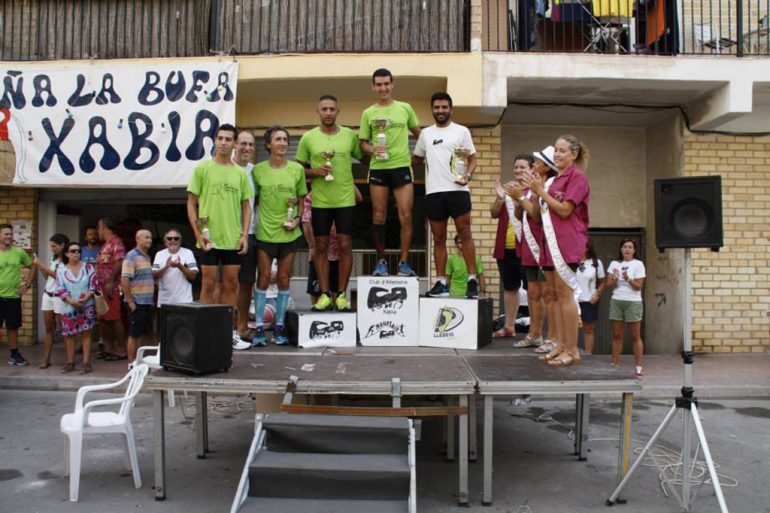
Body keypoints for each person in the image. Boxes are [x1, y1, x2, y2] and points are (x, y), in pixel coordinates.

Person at [521, 135, 590, 368]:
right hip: (548, 243)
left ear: (574, 154)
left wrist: (540, 192)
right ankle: (560, 344)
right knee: (554, 294)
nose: (558, 155)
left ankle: (572, 350)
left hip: (567, 242)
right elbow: (539, 215)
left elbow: (564, 210)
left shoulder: (577, 178)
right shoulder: (554, 181)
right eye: (556, 151)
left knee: (564, 294)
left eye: (563, 151)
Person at [186, 123, 253, 351]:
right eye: (220, 138)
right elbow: (191, 203)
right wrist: (197, 233)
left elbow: (247, 207)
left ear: (234, 144)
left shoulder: (239, 174)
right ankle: (203, 332)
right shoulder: (203, 169)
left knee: (231, 284)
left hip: (232, 239)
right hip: (209, 239)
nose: (224, 142)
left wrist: (244, 235)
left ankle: (227, 332)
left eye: (228, 139)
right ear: (215, 141)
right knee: (207, 283)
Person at [297, 94, 365, 310]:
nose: (328, 113)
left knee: (345, 246)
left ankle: (341, 294)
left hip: (345, 199)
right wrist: (315, 171)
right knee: (321, 247)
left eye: (332, 109)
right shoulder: (308, 138)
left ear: (338, 111)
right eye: (324, 109)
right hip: (320, 201)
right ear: (318, 112)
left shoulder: (349, 135)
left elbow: (364, 159)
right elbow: (298, 171)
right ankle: (325, 294)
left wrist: (381, 148)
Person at [413, 92, 480, 299]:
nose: (440, 111)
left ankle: (471, 280)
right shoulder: (425, 134)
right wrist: (389, 153)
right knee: (438, 239)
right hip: (434, 193)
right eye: (436, 107)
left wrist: (468, 175)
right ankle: (441, 283)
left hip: (458, 191)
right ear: (432, 110)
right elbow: (416, 159)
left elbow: (472, 158)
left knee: (465, 233)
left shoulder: (462, 131)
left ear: (451, 109)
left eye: (444, 107)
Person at [359, 68, 421, 277]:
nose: (383, 88)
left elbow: (420, 135)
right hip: (378, 168)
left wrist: (417, 157)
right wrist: (372, 149)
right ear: (373, 87)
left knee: (406, 215)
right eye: (379, 84)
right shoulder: (368, 113)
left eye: (386, 83)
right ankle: (381, 262)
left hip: (402, 167)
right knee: (378, 215)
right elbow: (362, 144)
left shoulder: (405, 108)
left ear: (392, 84)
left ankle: (404, 262)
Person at [251, 126, 307, 346]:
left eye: (285, 139)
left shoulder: (297, 170)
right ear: (268, 144)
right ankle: (258, 329)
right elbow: (251, 201)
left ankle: (280, 328)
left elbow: (302, 199)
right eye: (278, 139)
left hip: (289, 233)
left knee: (284, 279)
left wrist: (297, 219)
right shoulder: (258, 170)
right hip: (265, 232)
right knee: (264, 278)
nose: (282, 143)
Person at [490, 156, 528, 339]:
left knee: (534, 290)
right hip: (505, 248)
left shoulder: (534, 191)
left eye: (522, 167)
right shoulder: (507, 190)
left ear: (531, 170)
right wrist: (499, 199)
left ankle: (536, 331)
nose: (518, 170)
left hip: (527, 249)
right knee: (510, 288)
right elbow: (494, 214)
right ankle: (509, 327)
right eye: (516, 167)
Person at [233, 130, 259, 341]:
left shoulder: (255, 172)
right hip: (226, 236)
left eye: (251, 144)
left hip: (250, 234)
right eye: (243, 143)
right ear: (234, 144)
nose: (247, 148)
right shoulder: (224, 169)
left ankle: (241, 326)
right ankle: (223, 326)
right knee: (224, 283)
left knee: (246, 283)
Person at [56, 241, 98, 374]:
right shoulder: (61, 269)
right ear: (67, 253)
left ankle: (86, 362)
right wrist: (71, 301)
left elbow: (94, 285)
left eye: (78, 251)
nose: (76, 253)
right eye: (73, 251)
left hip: (87, 305)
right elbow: (60, 288)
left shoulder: (88, 267)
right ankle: (70, 362)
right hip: (68, 307)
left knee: (86, 334)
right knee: (69, 335)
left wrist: (86, 298)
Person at [607, 238, 646, 377]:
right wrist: (615, 278)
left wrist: (628, 278)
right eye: (624, 247)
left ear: (634, 250)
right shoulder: (614, 264)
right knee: (616, 335)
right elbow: (608, 285)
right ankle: (615, 363)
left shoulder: (638, 264)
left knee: (635, 335)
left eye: (630, 247)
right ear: (621, 249)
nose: (627, 249)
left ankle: (639, 366)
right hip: (617, 300)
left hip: (633, 302)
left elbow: (638, 286)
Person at [33, 233, 69, 369]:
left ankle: (69, 360)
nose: (52, 248)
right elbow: (48, 276)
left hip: (60, 296)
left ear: (62, 245)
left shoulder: (67, 260)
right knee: (49, 328)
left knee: (63, 329)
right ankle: (46, 359)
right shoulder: (53, 259)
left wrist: (41, 265)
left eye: (54, 246)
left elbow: (59, 278)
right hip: (48, 294)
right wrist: (41, 267)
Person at [0, 224, 34, 366]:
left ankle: (14, 355)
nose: (9, 236)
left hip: (13, 297)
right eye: (5, 234)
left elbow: (33, 266)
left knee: (12, 327)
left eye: (10, 234)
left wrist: (27, 285)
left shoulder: (19, 252)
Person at [95, 218, 127, 361]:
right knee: (105, 319)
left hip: (111, 288)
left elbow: (119, 262)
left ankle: (121, 350)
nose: (97, 231)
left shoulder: (116, 242)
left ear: (104, 228)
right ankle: (110, 348)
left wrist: (111, 281)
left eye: (98, 227)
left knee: (114, 318)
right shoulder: (105, 245)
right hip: (101, 289)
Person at [121, 229, 154, 363]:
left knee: (140, 333)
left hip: (146, 302)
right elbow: (124, 280)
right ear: (138, 238)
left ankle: (138, 361)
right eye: (146, 237)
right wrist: (130, 301)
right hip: (137, 302)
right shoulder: (131, 256)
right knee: (134, 334)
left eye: (150, 238)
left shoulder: (146, 256)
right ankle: (131, 363)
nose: (149, 240)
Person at [152, 228, 198, 307]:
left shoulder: (188, 253)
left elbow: (193, 276)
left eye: (176, 238)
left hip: (184, 302)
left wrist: (179, 266)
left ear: (180, 241)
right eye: (169, 238)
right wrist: (166, 267)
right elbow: (153, 276)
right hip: (164, 302)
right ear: (165, 242)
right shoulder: (159, 254)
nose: (173, 240)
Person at [576, 239, 605, 355]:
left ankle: (588, 354)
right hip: (573, 301)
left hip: (589, 301)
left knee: (588, 329)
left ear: (587, 248)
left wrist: (597, 294)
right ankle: (572, 352)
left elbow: (602, 281)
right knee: (571, 328)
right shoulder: (572, 261)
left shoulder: (595, 263)